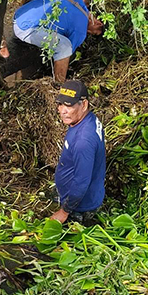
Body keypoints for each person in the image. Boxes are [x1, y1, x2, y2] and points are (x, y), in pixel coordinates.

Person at [12, 0, 103, 81]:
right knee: (65, 48)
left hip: (21, 13)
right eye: (94, 33)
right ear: (98, 23)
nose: (89, 33)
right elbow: (67, 54)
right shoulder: (81, 32)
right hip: (24, 28)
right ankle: (58, 83)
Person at [51, 79, 105, 224]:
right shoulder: (88, 120)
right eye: (60, 104)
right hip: (83, 192)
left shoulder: (83, 141)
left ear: (84, 104)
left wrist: (64, 211)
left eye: (68, 105)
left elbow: (81, 181)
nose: (62, 111)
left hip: (80, 205)